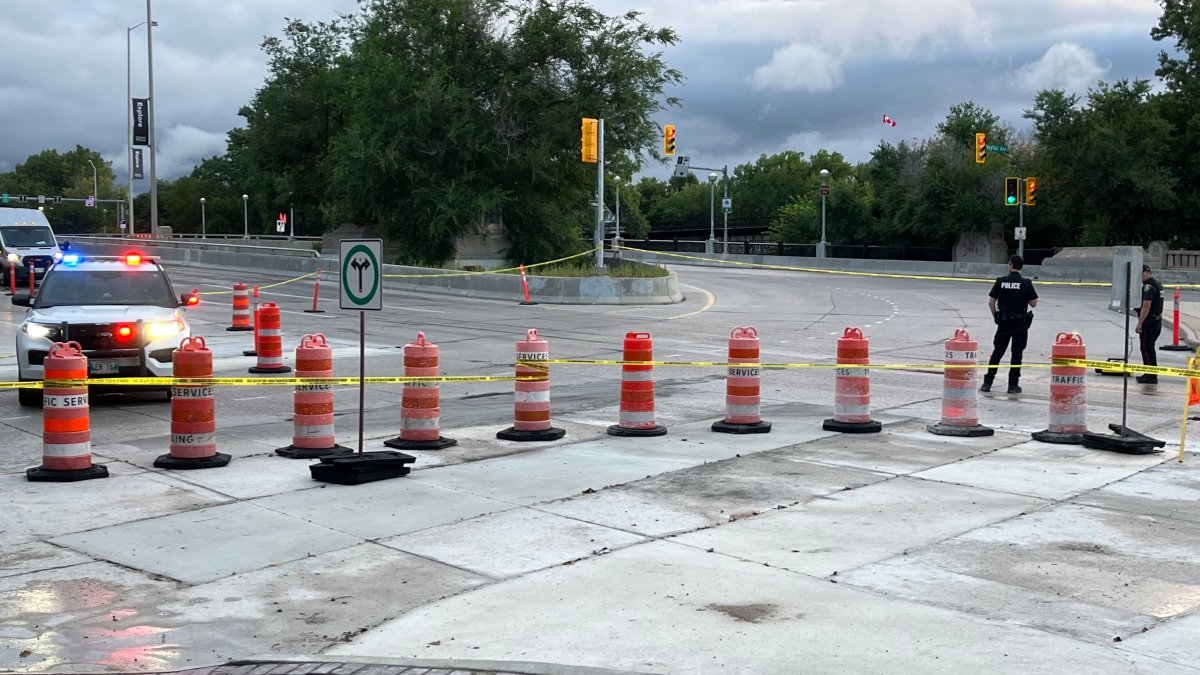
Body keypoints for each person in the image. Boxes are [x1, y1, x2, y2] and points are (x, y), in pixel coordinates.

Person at [982, 255, 1038, 394]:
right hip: (1020, 324)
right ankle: (1013, 385)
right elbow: (1034, 303)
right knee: (1017, 355)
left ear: (1011, 264)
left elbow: (991, 302)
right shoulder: (1026, 283)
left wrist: (996, 317)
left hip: (1004, 323)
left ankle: (987, 383)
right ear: (1021, 267)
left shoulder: (1001, 281)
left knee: (997, 352)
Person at [1136, 264, 1164, 384]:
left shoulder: (1148, 286)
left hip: (1149, 322)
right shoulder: (1157, 284)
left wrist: (1140, 323)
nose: (1140, 277)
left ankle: (1150, 375)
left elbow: (1146, 306)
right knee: (1149, 347)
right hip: (1157, 321)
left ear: (1147, 272)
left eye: (1141, 274)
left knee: (1146, 348)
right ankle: (1150, 373)